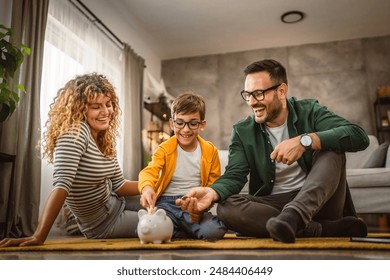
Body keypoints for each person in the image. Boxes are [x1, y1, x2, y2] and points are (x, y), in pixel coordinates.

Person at [176, 59, 370, 243]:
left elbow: (358, 136)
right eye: (248, 95)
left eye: (258, 94)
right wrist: (212, 192)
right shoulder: (242, 130)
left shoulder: (310, 110)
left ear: (281, 91)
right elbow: (235, 175)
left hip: (319, 201)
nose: (252, 102)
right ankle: (319, 229)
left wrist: (305, 141)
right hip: (273, 205)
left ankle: (295, 216)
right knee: (226, 207)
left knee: (331, 148)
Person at [0, 73, 141, 247]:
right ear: (79, 108)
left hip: (117, 203)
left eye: (109, 104)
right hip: (104, 224)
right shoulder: (74, 133)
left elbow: (119, 185)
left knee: (167, 200)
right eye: (96, 106)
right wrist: (38, 236)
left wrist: (154, 183)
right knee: (167, 221)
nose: (106, 112)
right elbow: (61, 185)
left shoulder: (103, 138)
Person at [139, 92, 227, 241]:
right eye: (180, 123)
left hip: (193, 205)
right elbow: (150, 171)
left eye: (193, 123)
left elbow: (213, 184)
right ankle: (183, 230)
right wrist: (147, 187)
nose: (186, 129)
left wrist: (201, 208)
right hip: (166, 205)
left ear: (202, 125)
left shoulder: (210, 151)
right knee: (151, 228)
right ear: (172, 124)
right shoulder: (164, 149)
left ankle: (174, 231)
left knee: (215, 231)